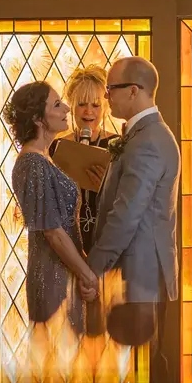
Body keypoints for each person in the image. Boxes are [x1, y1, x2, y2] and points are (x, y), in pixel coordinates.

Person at [87, 57, 180, 318]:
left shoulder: (148, 140)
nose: (106, 97)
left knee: (141, 357)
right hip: (138, 274)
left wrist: (91, 268)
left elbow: (126, 215)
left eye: (110, 89)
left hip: (140, 275)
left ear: (133, 90)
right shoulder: (144, 134)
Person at [6, 80, 99, 324]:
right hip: (52, 273)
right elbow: (52, 231)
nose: (67, 109)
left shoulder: (45, 158)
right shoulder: (32, 163)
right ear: (38, 118)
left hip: (65, 269)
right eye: (57, 104)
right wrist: (87, 274)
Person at [50, 64, 114, 254]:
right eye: (82, 104)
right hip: (66, 239)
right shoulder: (57, 145)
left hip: (106, 239)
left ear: (105, 108)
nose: (89, 112)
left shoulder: (117, 145)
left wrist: (108, 186)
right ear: (71, 105)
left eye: (95, 105)